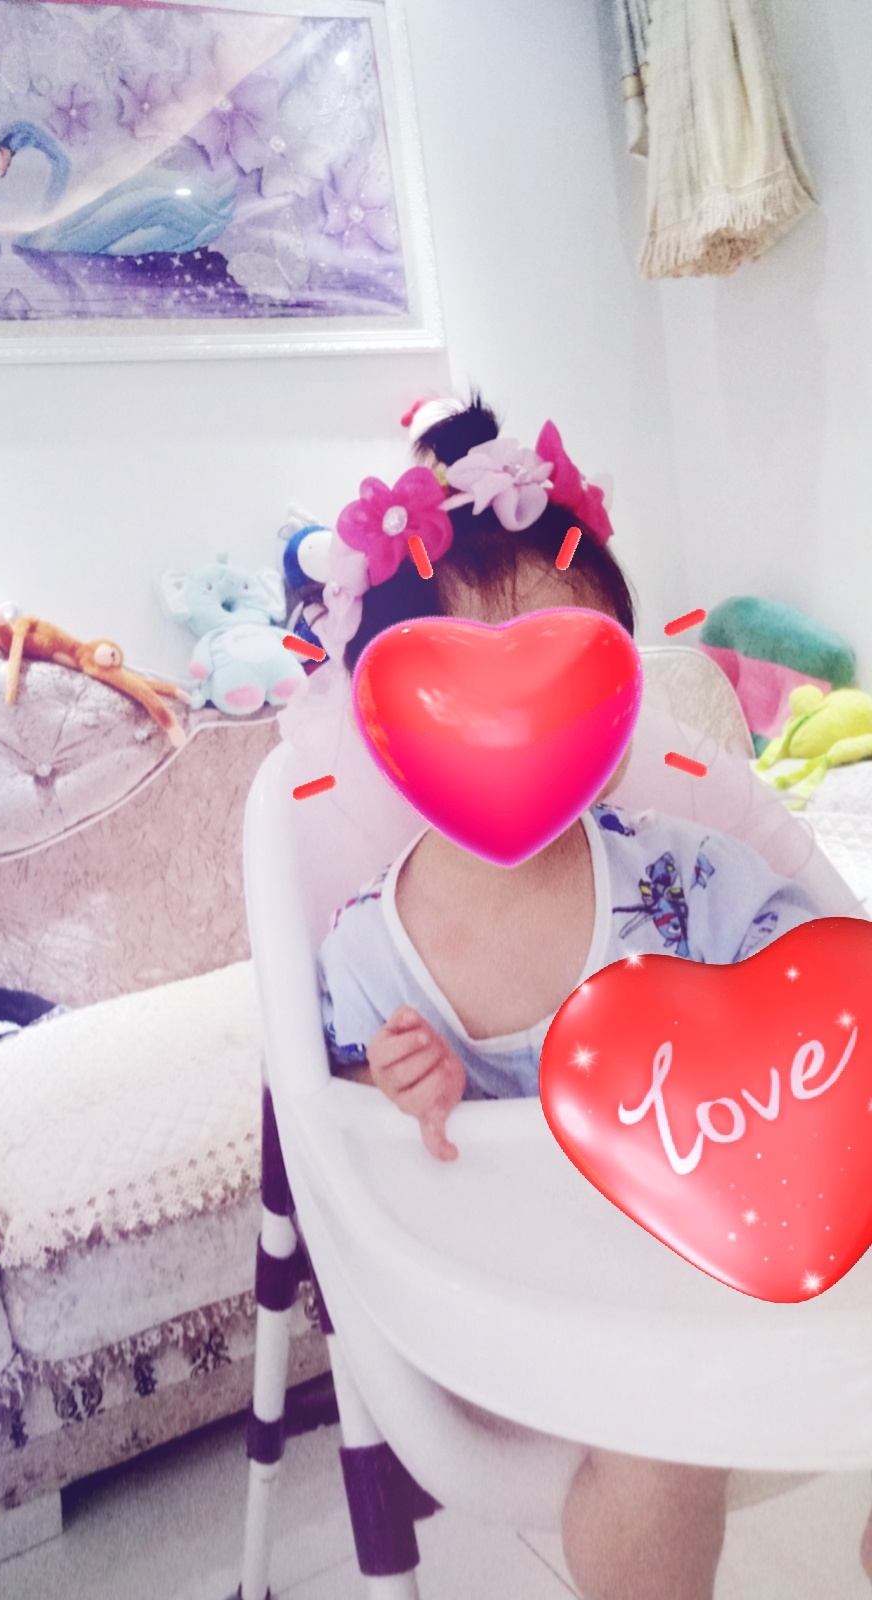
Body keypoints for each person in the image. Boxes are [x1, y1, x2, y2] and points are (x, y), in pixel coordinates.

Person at [315, 394, 822, 1600]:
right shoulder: (372, 951)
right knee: (661, 1430)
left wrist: (739, 1023)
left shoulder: (676, 874)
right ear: (383, 718)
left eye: (560, 672)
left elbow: (815, 973)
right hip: (518, 1307)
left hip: (710, 1251)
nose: (514, 719)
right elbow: (337, 1115)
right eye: (458, 686)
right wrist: (395, 1086)